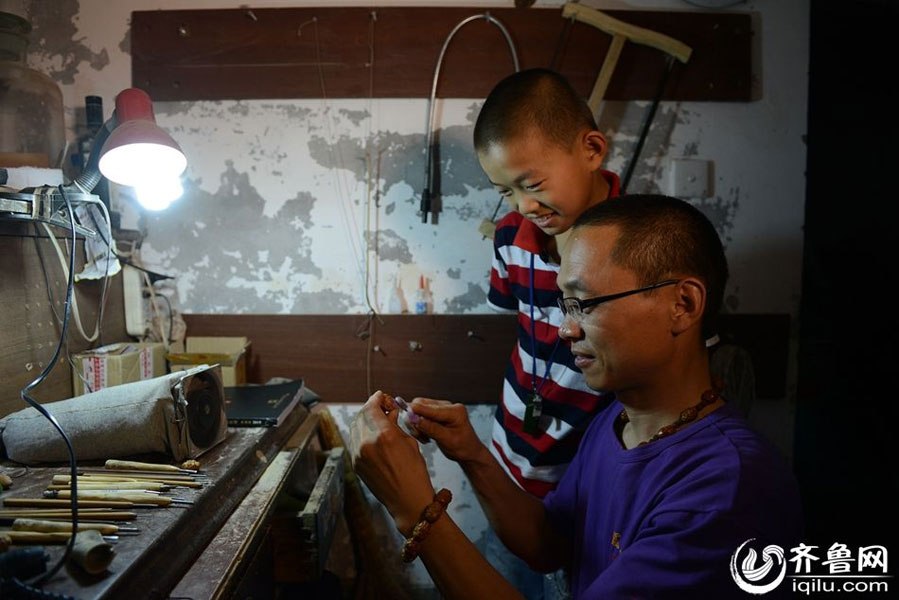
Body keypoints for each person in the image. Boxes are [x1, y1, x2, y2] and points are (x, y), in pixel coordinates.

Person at [350, 195, 802, 599]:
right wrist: (472, 453)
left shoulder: (724, 489)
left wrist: (415, 511)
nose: (566, 329)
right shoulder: (617, 421)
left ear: (682, 304)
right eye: (565, 305)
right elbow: (548, 543)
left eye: (584, 303)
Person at [475, 68, 620, 597]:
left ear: (591, 149)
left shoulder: (637, 241)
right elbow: (520, 323)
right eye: (505, 191)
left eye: (532, 184)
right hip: (509, 455)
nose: (523, 206)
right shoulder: (512, 236)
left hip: (585, 480)